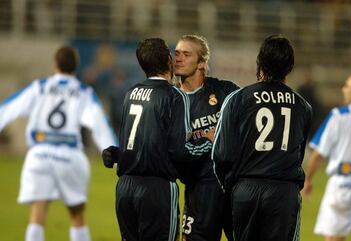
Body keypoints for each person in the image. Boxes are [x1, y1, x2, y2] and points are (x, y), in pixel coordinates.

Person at [0, 46, 117, 241]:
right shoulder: (83, 92)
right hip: (70, 155)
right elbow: (100, 124)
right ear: (76, 67)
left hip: (39, 154)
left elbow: (7, 108)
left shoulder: (40, 87)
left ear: (55, 64)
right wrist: (116, 153)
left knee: (37, 214)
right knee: (77, 215)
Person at [102, 38, 212, 241]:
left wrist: (116, 153)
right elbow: (180, 151)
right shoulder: (174, 96)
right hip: (157, 190)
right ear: (169, 60)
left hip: (125, 187)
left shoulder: (131, 92)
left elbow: (135, 143)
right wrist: (208, 141)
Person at [212, 35, 312, 241]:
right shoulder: (303, 106)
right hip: (283, 193)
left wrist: (231, 187)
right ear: (290, 67)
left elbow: (221, 155)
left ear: (259, 63)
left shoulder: (238, 99)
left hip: (245, 190)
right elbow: (298, 155)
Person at [173, 34, 239, 241]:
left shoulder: (225, 91)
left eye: (186, 54)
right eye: (176, 54)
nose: (178, 59)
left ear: (202, 62)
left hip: (233, 189)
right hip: (199, 192)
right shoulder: (171, 100)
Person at [303, 73, 351, 241]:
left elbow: (319, 152)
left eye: (348, 86)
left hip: (341, 186)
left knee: (334, 238)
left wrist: (309, 179)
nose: (344, 89)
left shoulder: (339, 115)